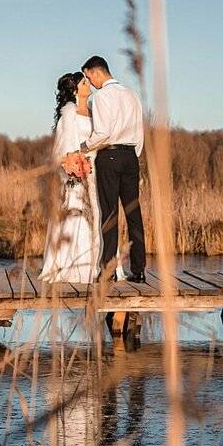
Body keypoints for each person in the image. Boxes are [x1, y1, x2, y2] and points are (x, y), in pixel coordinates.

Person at [64, 55, 146, 283]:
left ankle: (108, 271)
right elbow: (140, 133)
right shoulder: (132, 94)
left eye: (88, 77)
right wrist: (133, 155)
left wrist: (83, 146)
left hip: (109, 156)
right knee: (133, 213)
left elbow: (103, 133)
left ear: (96, 72)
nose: (90, 82)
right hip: (131, 156)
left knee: (109, 214)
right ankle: (139, 270)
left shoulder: (102, 97)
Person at [39, 72, 102, 283]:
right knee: (75, 215)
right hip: (75, 173)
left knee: (95, 215)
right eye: (84, 83)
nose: (88, 84)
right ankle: (70, 265)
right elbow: (60, 150)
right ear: (76, 90)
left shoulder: (94, 112)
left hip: (95, 170)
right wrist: (72, 165)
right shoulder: (68, 115)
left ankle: (95, 264)